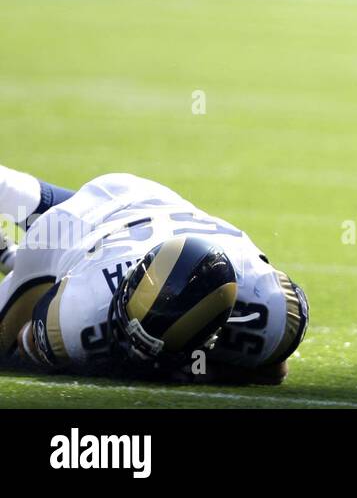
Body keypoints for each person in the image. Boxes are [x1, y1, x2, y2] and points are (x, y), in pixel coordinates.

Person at [0, 164, 308, 383]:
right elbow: (27, 344)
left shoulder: (270, 307)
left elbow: (274, 371)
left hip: (137, 217)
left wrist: (210, 371)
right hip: (74, 231)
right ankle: (11, 255)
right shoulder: (81, 308)